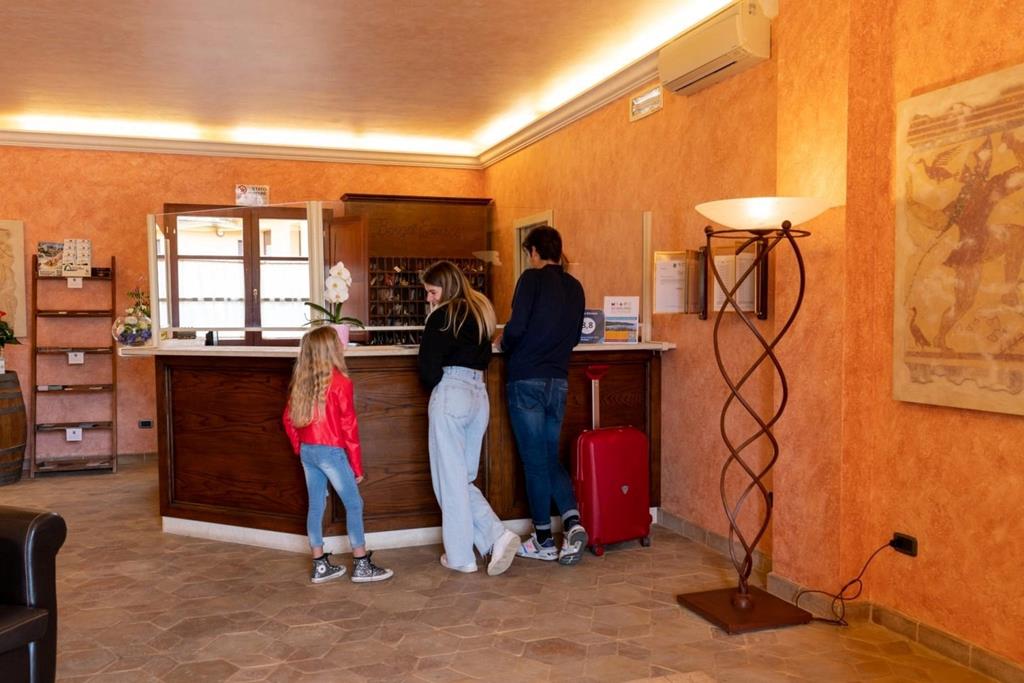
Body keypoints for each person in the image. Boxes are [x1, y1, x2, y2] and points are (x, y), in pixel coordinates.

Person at [418, 261, 520, 576]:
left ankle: (461, 556)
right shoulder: (480, 312)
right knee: (461, 478)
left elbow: (427, 369)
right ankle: (496, 536)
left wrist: (440, 386)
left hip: (452, 393)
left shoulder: (442, 316)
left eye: (432, 291)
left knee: (450, 481)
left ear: (445, 287)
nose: (429, 298)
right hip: (479, 395)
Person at [499, 226, 587, 565]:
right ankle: (573, 522)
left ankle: (544, 540)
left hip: (526, 379)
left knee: (535, 462)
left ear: (534, 252)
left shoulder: (531, 280)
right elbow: (575, 336)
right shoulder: (575, 287)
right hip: (558, 381)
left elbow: (517, 327)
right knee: (549, 457)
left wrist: (504, 343)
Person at [283, 326, 393, 584]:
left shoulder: (301, 383)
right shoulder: (341, 382)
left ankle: (319, 565)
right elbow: (348, 428)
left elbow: (288, 419)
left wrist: (300, 448)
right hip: (331, 452)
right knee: (354, 504)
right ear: (331, 350)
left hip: (309, 451)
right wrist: (356, 467)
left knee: (316, 505)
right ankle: (361, 563)